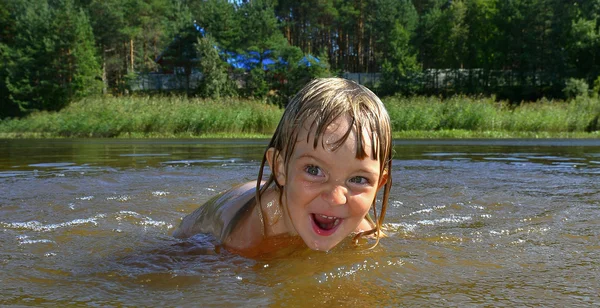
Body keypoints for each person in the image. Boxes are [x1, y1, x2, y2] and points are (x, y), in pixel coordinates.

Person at [173, 78, 393, 258]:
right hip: (205, 226)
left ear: (379, 184)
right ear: (280, 168)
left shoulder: (359, 224)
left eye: (358, 180)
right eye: (314, 170)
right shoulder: (251, 234)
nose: (336, 198)